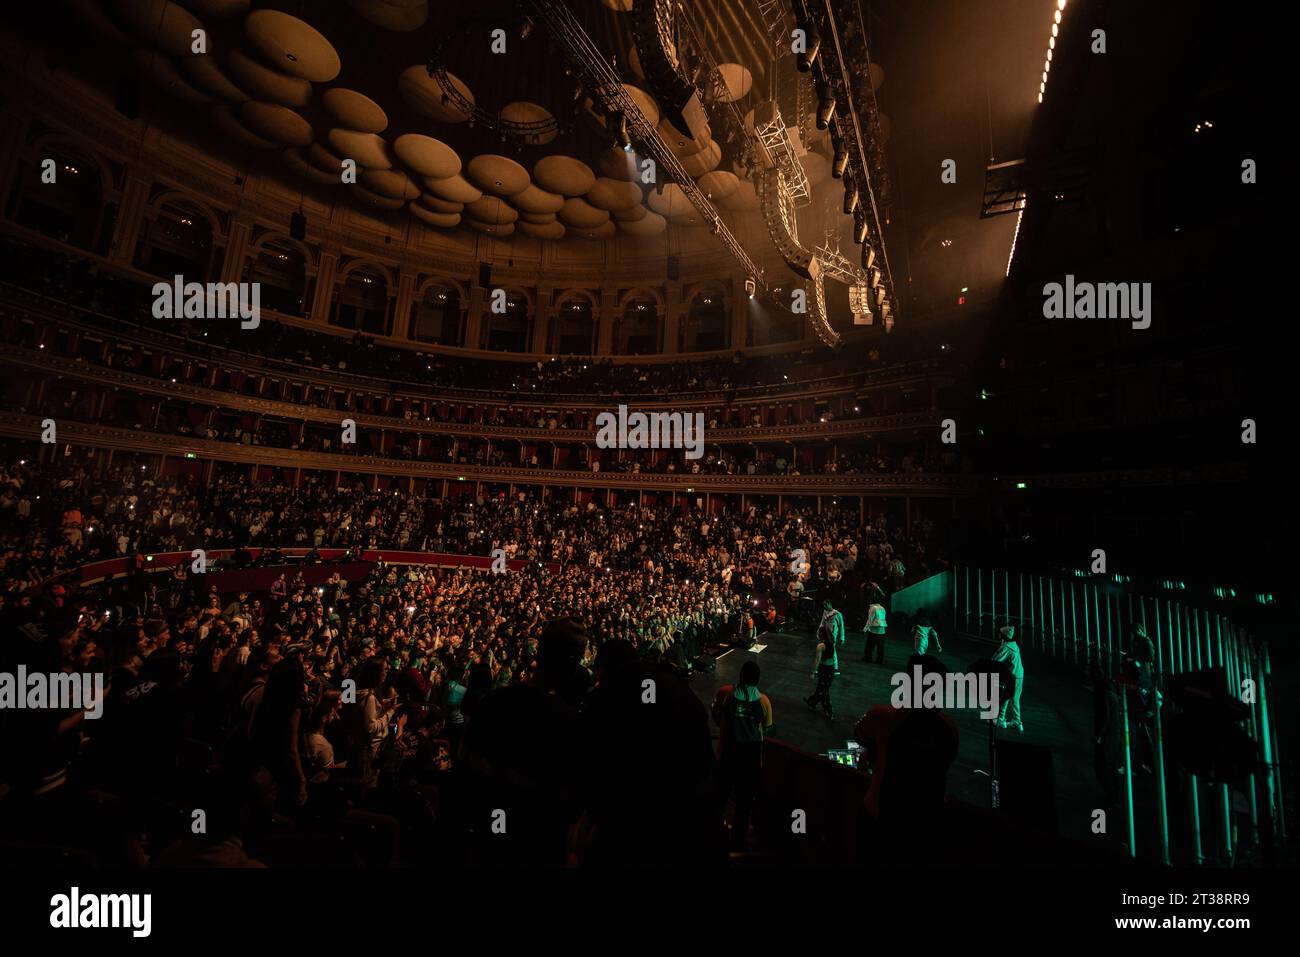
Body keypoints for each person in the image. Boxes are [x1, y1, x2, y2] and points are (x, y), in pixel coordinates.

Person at [712, 660, 773, 850]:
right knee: (744, 802)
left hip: (728, 754)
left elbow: (716, 716)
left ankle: (713, 833)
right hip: (751, 758)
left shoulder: (726, 693)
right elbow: (767, 727)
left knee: (720, 796)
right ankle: (739, 841)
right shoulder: (763, 701)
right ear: (757, 679)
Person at [804, 600, 844, 720]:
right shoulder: (831, 643)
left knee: (824, 691)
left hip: (824, 670)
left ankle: (829, 712)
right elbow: (824, 625)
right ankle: (812, 701)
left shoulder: (821, 646)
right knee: (821, 689)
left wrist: (812, 672)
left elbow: (817, 660)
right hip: (830, 670)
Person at [992, 625, 1024, 732]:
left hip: (1012, 676)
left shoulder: (1006, 647)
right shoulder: (1014, 646)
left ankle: (1001, 720)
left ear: (1003, 636)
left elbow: (996, 660)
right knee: (1015, 699)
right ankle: (1017, 721)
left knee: (1005, 697)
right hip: (1019, 675)